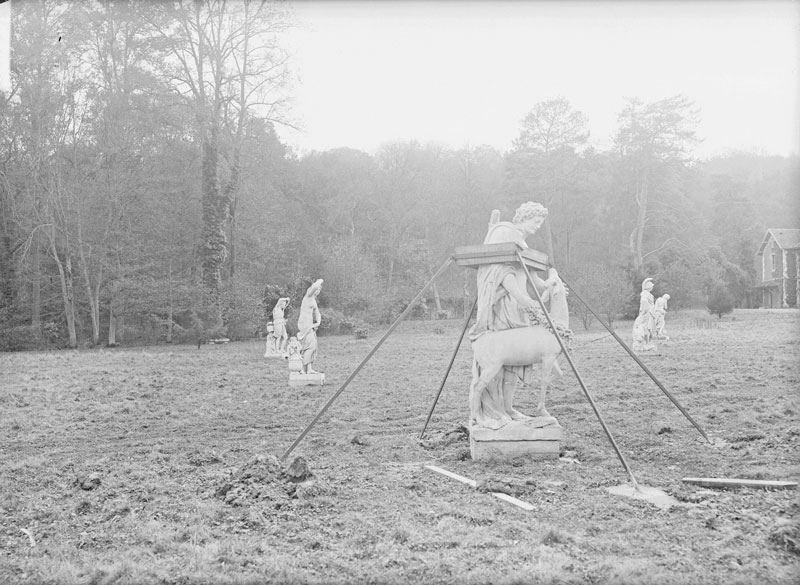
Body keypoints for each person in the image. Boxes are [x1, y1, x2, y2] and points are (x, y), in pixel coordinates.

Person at [469, 201, 560, 427]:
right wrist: (522, 298)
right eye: (536, 221)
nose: (538, 226)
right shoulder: (504, 233)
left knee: (516, 363)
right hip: (504, 306)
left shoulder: (521, 242)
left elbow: (530, 275)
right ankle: (492, 410)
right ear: (524, 217)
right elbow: (500, 271)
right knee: (498, 361)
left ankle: (508, 408)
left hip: (520, 309)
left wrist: (548, 283)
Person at [297, 279, 324, 374]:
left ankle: (308, 369)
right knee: (309, 346)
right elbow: (315, 286)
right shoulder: (308, 296)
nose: (318, 291)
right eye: (318, 289)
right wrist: (320, 280)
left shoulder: (313, 300)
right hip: (304, 324)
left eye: (320, 290)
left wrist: (318, 322)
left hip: (310, 324)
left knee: (312, 346)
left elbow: (318, 313)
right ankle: (301, 368)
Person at [632, 278, 657, 352]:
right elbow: (644, 301)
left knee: (649, 328)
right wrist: (646, 309)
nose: (652, 288)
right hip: (647, 314)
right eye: (651, 286)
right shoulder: (645, 294)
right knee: (646, 327)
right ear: (649, 287)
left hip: (650, 313)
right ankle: (644, 343)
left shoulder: (647, 293)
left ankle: (647, 343)